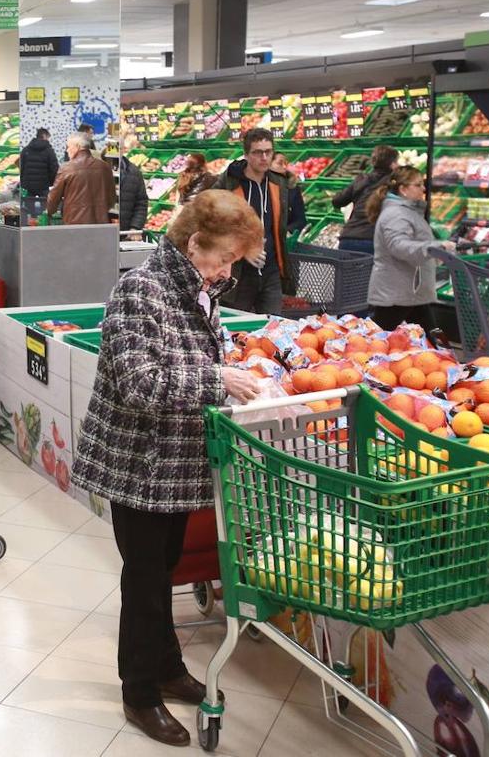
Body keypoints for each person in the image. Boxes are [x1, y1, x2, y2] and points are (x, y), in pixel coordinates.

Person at [71, 190, 264, 748]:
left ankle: (167, 665)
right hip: (139, 461)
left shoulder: (199, 289)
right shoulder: (141, 290)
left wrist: (231, 366)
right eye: (222, 257)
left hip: (175, 461)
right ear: (193, 242)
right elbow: (137, 382)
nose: (227, 270)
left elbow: (200, 355)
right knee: (145, 578)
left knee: (165, 568)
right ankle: (139, 692)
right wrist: (216, 381)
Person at [215, 128, 297, 315]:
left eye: (268, 152)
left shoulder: (278, 183)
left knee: (273, 327)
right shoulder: (230, 183)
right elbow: (212, 221)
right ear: (246, 155)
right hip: (238, 272)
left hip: (271, 270)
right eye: (257, 152)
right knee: (237, 329)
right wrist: (242, 250)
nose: (264, 157)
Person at [366, 166, 455, 332]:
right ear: (403, 189)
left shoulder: (406, 212)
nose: (423, 188)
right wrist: (433, 247)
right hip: (397, 291)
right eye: (418, 184)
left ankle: (435, 354)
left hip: (410, 289)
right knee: (379, 337)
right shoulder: (396, 214)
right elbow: (398, 246)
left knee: (428, 336)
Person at [333, 144, 400, 255]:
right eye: (397, 162)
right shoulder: (393, 183)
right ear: (392, 165)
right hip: (373, 240)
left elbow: (337, 201)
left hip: (348, 238)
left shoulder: (361, 179)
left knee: (348, 272)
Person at [47, 133, 115, 225]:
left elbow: (53, 198)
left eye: (68, 146)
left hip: (74, 222)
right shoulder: (105, 167)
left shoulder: (66, 168)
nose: (67, 150)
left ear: (77, 147)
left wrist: (50, 211)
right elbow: (111, 198)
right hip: (100, 222)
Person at [270, 152, 309, 238]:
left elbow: (300, 220)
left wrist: (285, 231)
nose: (284, 167)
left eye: (286, 164)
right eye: (280, 163)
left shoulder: (293, 190)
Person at [19, 128, 59, 200]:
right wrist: (52, 182)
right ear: (44, 136)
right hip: (43, 185)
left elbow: (21, 168)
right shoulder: (49, 151)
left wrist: (23, 182)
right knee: (45, 207)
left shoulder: (26, 150)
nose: (48, 140)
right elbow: (54, 169)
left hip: (28, 186)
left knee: (28, 208)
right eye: (48, 137)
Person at [116, 153, 150, 231]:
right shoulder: (98, 170)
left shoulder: (134, 172)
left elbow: (141, 202)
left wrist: (135, 227)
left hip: (125, 232)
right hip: (102, 231)